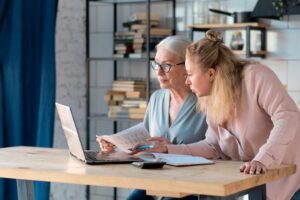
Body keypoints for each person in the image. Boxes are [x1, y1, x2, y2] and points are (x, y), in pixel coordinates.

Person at [134, 30, 300, 200]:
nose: (187, 81)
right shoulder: (211, 98)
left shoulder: (255, 76)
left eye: (190, 74)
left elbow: (288, 116)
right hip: (256, 184)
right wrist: (167, 150)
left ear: (211, 73)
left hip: (292, 181)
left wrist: (262, 159)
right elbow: (213, 146)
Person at [97, 35, 208, 200]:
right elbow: (146, 141)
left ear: (187, 67)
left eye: (166, 65)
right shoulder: (157, 98)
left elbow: (218, 149)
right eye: (156, 64)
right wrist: (116, 147)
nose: (158, 71)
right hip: (155, 183)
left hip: (193, 187)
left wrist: (173, 149)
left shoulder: (205, 101)